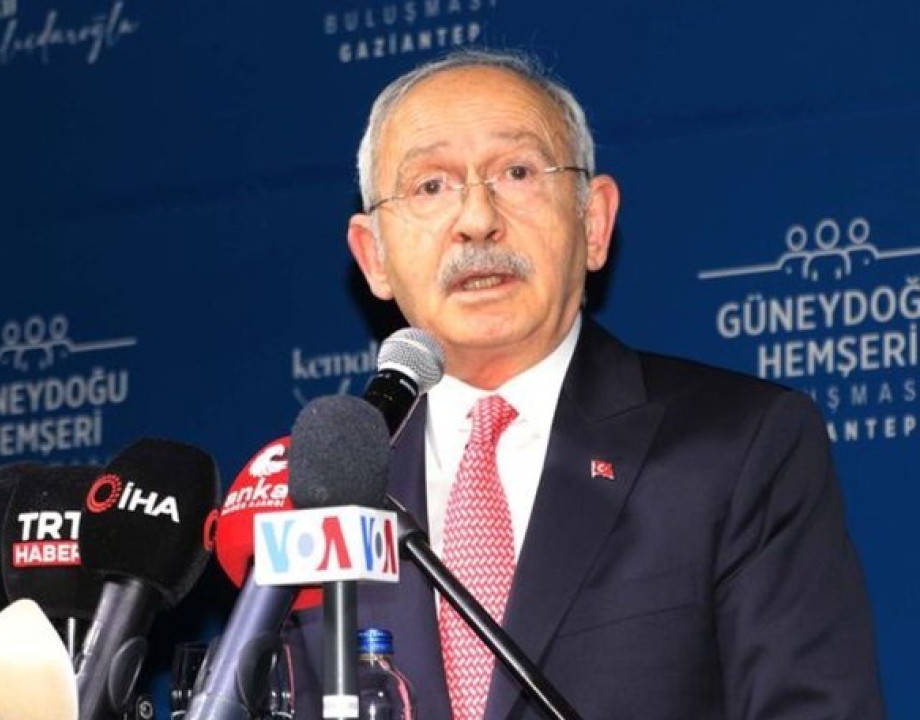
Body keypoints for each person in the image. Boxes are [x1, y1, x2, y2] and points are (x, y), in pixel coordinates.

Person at [287, 48, 884, 720]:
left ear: (594, 223)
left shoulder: (739, 448)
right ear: (373, 257)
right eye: (430, 186)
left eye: (517, 172)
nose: (477, 219)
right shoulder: (322, 489)